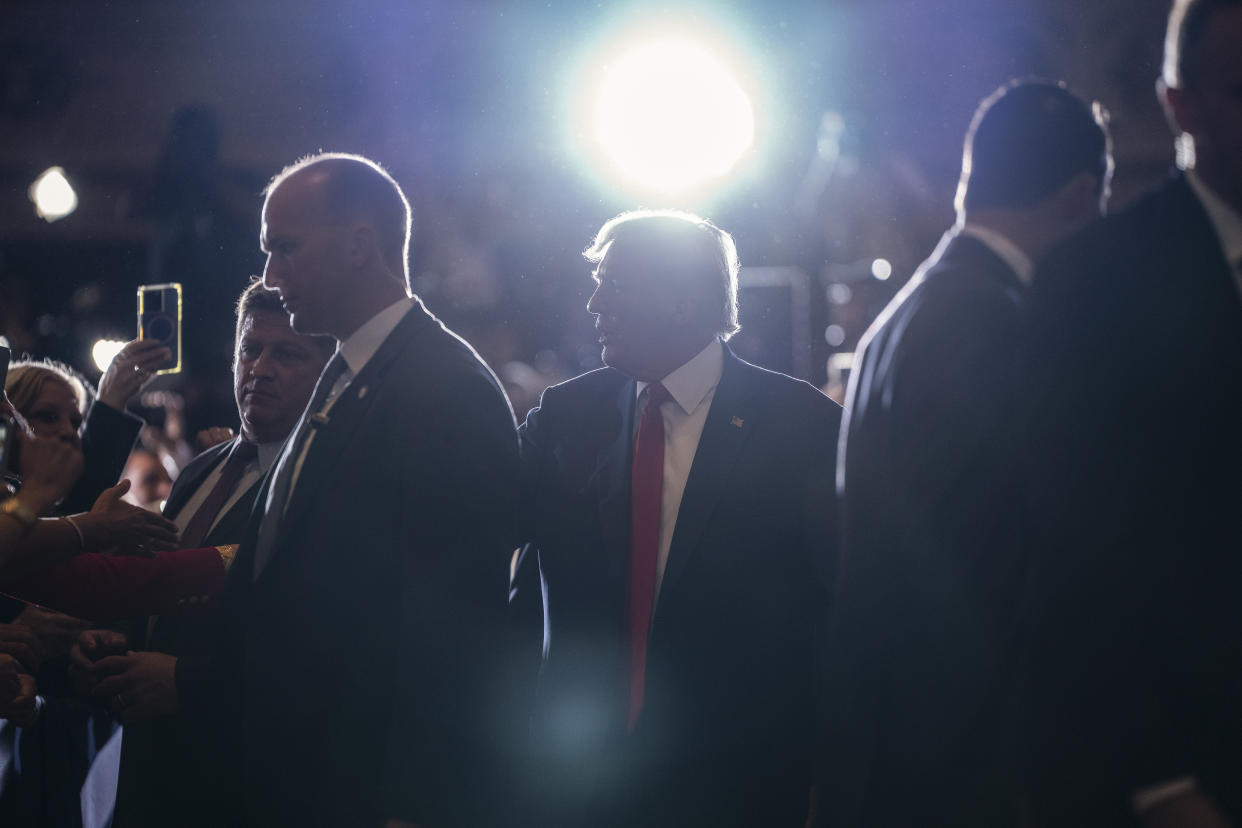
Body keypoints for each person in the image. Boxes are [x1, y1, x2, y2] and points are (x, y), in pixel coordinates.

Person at [97, 153, 521, 827]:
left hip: (355, 785)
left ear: (359, 246)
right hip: (280, 773)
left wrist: (412, 803)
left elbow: (455, 629)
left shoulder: (439, 388)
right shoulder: (352, 374)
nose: (271, 274)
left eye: (285, 249)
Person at [827, 79, 1112, 827]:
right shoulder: (992, 320)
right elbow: (985, 565)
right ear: (1084, 195)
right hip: (974, 765)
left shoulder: (911, 311)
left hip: (904, 748)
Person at [516, 210, 839, 827]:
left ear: (684, 302)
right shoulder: (564, 418)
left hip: (741, 780)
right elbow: (473, 525)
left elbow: (841, 610)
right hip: (581, 776)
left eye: (614, 284)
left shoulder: (804, 427)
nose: (593, 302)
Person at [1022, 2, 1242, 825]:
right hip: (1185, 759)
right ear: (1179, 108)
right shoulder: (1097, 280)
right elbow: (1074, 554)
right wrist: (1158, 779)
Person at [85, 278, 333, 828]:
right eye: (250, 348)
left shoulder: (329, 487)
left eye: (287, 353)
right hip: (152, 777)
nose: (260, 368)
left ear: (329, 373)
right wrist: (114, 641)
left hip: (242, 787)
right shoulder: (201, 468)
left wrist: (186, 683)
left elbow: (320, 651)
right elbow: (163, 594)